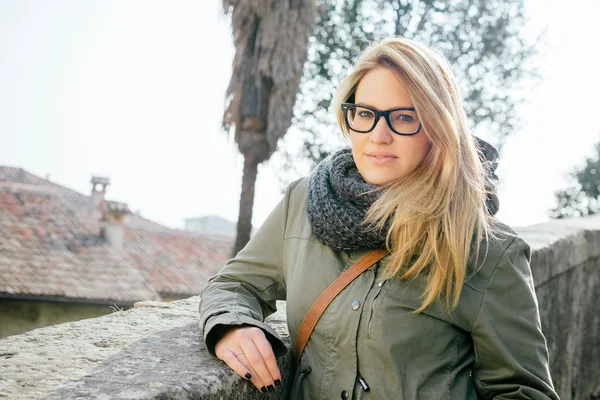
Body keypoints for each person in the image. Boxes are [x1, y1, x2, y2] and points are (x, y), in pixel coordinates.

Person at [199, 37, 559, 399]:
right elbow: (234, 283)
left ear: (438, 127)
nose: (378, 135)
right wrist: (232, 326)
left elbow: (523, 392)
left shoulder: (488, 250)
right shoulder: (302, 204)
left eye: (404, 117)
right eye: (365, 114)